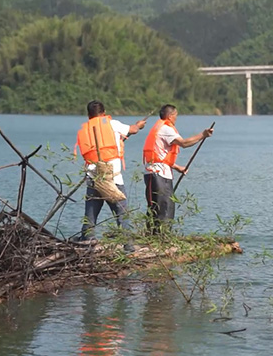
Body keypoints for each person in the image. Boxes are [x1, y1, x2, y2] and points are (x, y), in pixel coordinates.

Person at [76, 100, 146, 249]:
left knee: (91, 212)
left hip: (93, 177)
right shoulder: (112, 124)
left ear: (89, 115)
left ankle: (87, 240)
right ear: (104, 112)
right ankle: (128, 244)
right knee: (122, 212)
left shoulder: (85, 129)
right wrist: (139, 125)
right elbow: (132, 130)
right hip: (113, 178)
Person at [142, 104, 213, 235]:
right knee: (160, 207)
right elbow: (184, 143)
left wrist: (176, 167)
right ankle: (156, 237)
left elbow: (160, 155)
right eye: (176, 116)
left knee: (167, 206)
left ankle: (162, 236)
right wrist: (202, 135)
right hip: (156, 174)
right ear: (170, 116)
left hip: (161, 173)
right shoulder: (165, 129)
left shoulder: (161, 128)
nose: (176, 119)